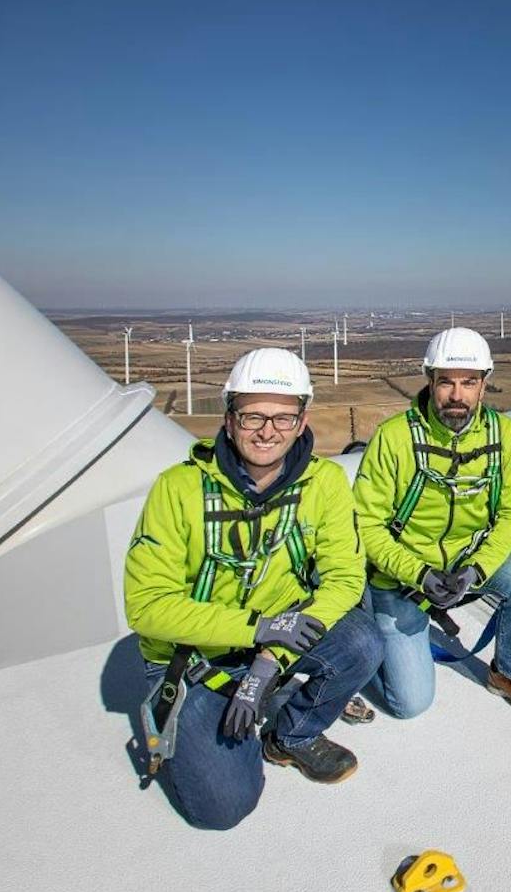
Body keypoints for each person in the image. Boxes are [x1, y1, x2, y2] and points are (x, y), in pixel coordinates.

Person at [125, 347, 380, 829]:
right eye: (253, 417)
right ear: (229, 419)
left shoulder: (324, 483)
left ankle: (291, 735)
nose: (268, 432)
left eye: (283, 419)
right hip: (196, 659)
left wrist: (269, 661)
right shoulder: (177, 490)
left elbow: (345, 579)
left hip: (273, 643)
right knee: (224, 810)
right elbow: (147, 607)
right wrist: (258, 628)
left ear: (302, 422)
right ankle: (216, 717)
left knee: (362, 640)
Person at [354, 326, 511, 717]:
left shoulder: (502, 433)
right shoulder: (394, 438)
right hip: (402, 570)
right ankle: (358, 661)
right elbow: (367, 524)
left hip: (467, 557)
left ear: (483, 385)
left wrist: (477, 570)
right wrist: (418, 574)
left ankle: (508, 673)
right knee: (410, 704)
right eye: (446, 383)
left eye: (468, 383)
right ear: (430, 381)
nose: (457, 395)